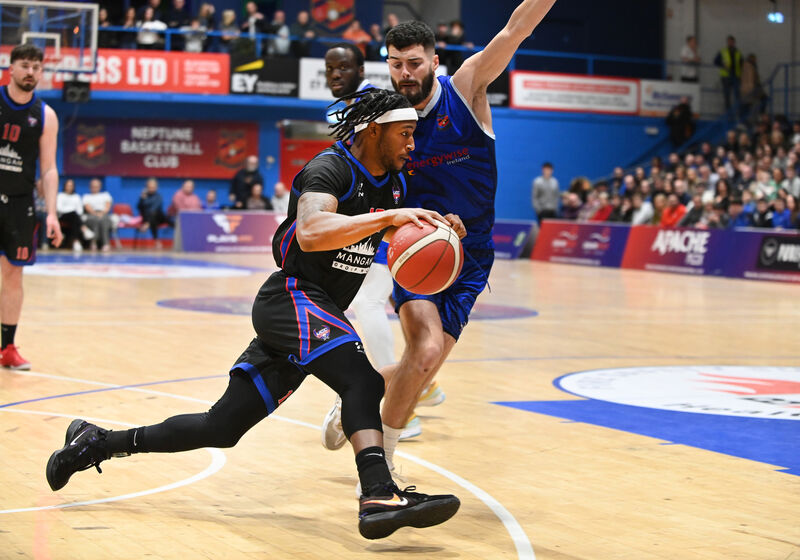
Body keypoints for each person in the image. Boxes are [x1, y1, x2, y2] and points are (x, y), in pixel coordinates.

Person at [45, 89, 461, 540]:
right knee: (361, 379)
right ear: (373, 130)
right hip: (292, 298)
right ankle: (378, 491)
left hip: (312, 314)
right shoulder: (332, 168)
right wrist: (388, 219)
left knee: (220, 427)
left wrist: (434, 231)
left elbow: (385, 236)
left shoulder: (394, 185)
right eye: (405, 133)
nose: (412, 145)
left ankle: (97, 442)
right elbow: (312, 230)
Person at [322, 2, 558, 469]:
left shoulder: (466, 87)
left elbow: (515, 30)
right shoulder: (382, 114)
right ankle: (379, 470)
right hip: (416, 247)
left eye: (414, 63)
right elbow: (368, 185)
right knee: (425, 349)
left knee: (422, 365)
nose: (405, 73)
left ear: (433, 61)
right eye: (395, 65)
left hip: (472, 256)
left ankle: (358, 392)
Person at [321, 44, 411, 446]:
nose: (336, 74)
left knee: (370, 304)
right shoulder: (335, 110)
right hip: (365, 215)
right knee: (365, 305)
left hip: (389, 209)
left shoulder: (376, 104)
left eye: (344, 67)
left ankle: (393, 393)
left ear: (361, 69)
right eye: (330, 68)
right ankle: (414, 381)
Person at [0, 44, 63, 370]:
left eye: (37, 68)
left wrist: (51, 212)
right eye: (25, 66)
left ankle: (7, 347)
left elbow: (49, 168)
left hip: (20, 204)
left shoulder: (45, 115)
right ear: (10, 68)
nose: (31, 72)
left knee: (13, 275)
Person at [57, 178, 93, 253]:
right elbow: (59, 208)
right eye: (68, 185)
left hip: (74, 217)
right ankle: (84, 229)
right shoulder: (60, 195)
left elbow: (80, 210)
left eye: (71, 186)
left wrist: (72, 211)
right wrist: (71, 210)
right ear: (65, 186)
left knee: (75, 218)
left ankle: (76, 241)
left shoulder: (76, 197)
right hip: (62, 216)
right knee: (74, 215)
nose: (69, 187)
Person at [137, 178, 172, 248]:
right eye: (150, 187)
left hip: (160, 217)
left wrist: (147, 221)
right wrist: (141, 199)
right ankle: (156, 240)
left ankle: (147, 225)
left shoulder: (158, 197)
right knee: (152, 220)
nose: (151, 189)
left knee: (154, 212)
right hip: (151, 219)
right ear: (147, 187)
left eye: (153, 187)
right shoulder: (144, 197)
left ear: (156, 187)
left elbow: (155, 208)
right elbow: (139, 208)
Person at [82, 177, 113, 252]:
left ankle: (105, 244)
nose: (94, 188)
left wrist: (102, 213)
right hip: (91, 214)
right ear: (90, 187)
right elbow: (87, 208)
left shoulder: (106, 195)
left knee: (104, 220)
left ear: (100, 187)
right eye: (93, 186)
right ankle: (94, 242)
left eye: (96, 186)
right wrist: (96, 214)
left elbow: (108, 206)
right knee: (95, 220)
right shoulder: (86, 197)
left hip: (104, 214)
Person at [714, 35, 742, 113]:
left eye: (732, 42)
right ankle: (728, 113)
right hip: (726, 76)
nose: (730, 43)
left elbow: (741, 63)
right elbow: (716, 61)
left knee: (737, 95)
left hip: (736, 76)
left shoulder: (738, 52)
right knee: (727, 95)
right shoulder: (723, 51)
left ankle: (738, 112)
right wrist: (723, 65)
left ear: (734, 42)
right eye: (729, 41)